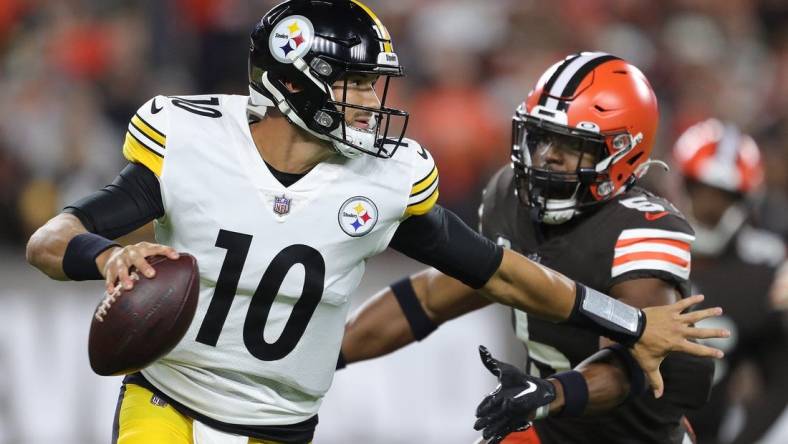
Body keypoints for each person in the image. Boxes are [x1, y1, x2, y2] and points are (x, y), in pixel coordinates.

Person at [24, 2, 725, 443]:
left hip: (278, 425)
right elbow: (48, 241)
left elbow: (497, 271)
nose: (371, 102)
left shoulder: (386, 180)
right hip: (169, 398)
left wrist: (629, 327)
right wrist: (102, 257)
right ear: (294, 78)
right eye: (355, 83)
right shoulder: (191, 139)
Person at [341, 52, 720, 444]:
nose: (546, 156)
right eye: (542, 136)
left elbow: (634, 361)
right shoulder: (511, 196)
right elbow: (432, 298)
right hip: (547, 426)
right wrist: (329, 354)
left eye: (571, 145)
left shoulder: (641, 229)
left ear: (622, 152)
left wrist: (549, 393)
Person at [672, 119, 788, 444]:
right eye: (701, 190)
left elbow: (780, 375)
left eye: (724, 195)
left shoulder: (764, 267)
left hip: (713, 427)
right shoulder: (646, 246)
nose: (710, 207)